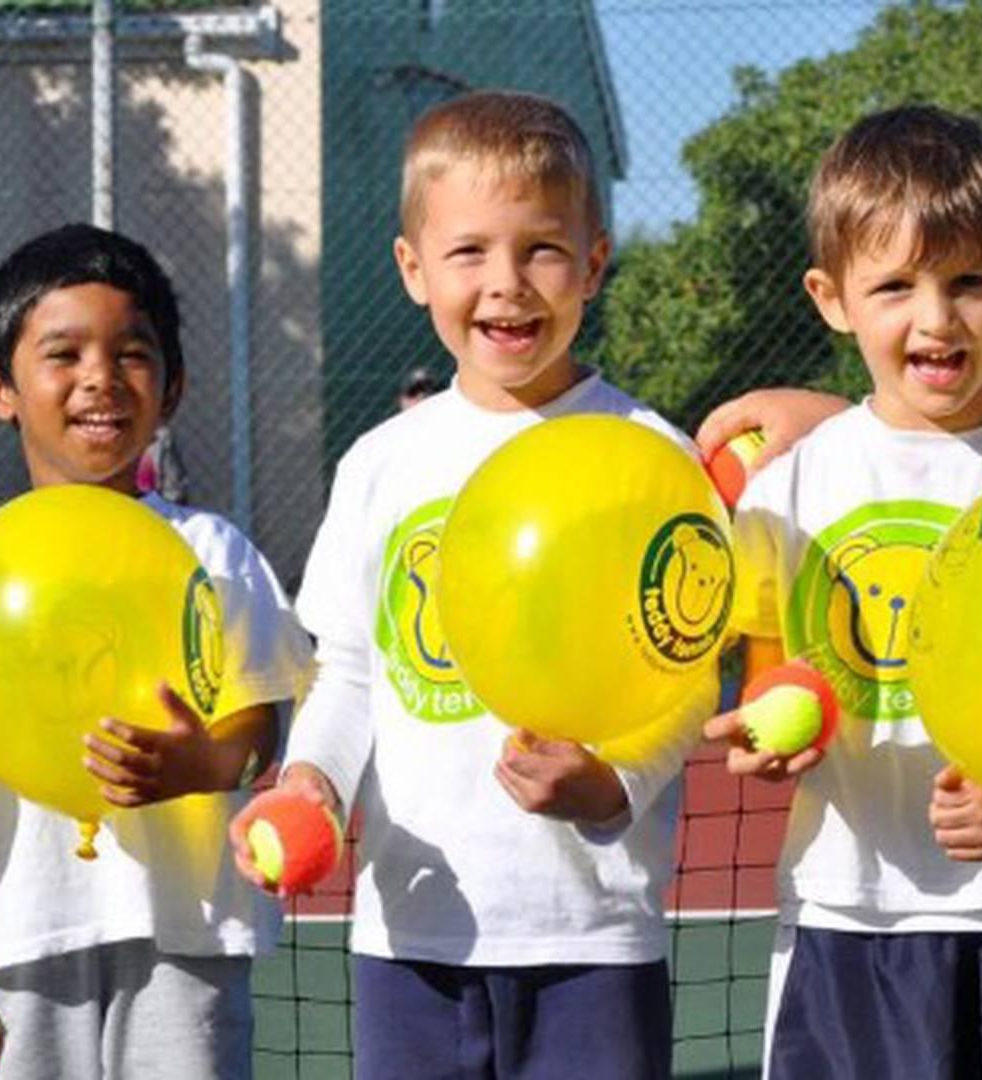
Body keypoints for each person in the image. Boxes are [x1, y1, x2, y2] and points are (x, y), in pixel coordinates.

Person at [229, 90, 706, 1079]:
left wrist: (616, 779)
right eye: (469, 252)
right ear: (413, 270)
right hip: (414, 935)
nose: (508, 285)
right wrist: (309, 777)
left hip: (591, 933)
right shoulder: (380, 463)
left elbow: (689, 673)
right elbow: (351, 670)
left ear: (594, 262)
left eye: (540, 248)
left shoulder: (647, 456)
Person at [698, 106, 982, 1079]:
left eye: (969, 280)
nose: (935, 317)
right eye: (894, 286)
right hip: (846, 904)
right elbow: (772, 667)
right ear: (832, 297)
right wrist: (767, 731)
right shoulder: (799, 477)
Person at [0, 223, 312, 1079]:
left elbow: (261, 728)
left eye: (132, 354)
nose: (100, 378)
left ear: (172, 387)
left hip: (188, 936)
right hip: (20, 936)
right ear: (0, 387)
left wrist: (203, 762)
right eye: (63, 354)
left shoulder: (214, 552)